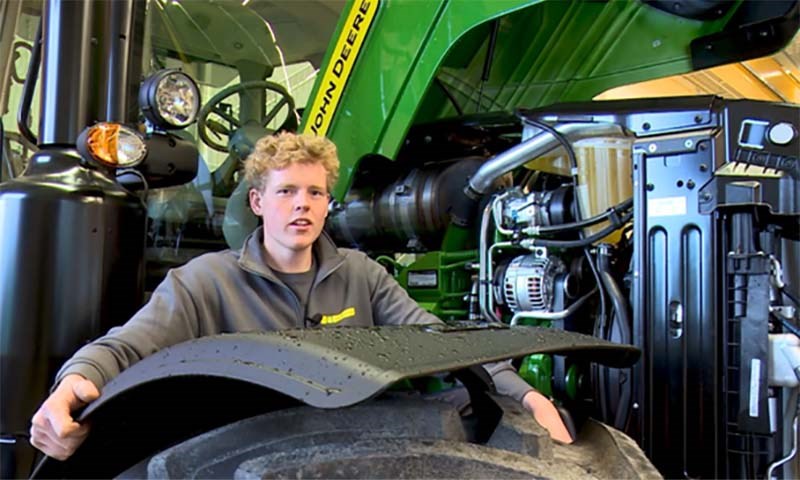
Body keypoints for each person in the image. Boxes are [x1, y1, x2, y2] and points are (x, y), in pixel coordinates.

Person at [30, 132, 572, 461]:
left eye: (315, 192)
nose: (302, 205)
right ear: (258, 202)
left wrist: (524, 396)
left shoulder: (362, 274)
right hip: (252, 452)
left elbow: (441, 340)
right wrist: (73, 385)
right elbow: (128, 346)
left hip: (355, 451)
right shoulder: (205, 280)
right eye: (286, 191)